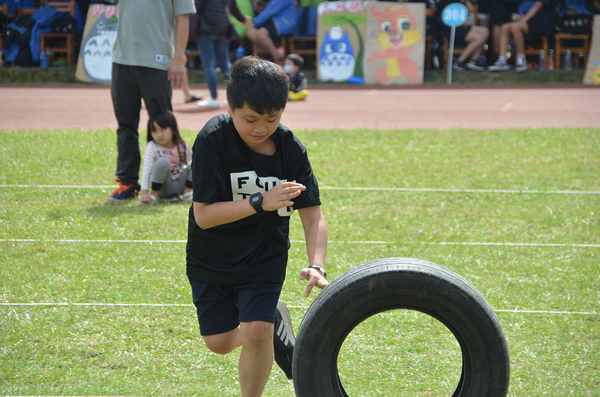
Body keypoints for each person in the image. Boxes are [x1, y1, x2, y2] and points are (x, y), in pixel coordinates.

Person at [186, 56, 328, 397]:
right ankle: (273, 320)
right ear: (231, 107)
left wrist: (316, 263)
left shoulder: (291, 149)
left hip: (265, 257)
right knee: (219, 343)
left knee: (255, 331)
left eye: (272, 119)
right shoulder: (212, 140)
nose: (261, 128)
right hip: (212, 258)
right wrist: (259, 202)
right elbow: (203, 215)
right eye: (250, 119)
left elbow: (313, 215)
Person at [108, 0, 196, 201]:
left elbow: (183, 19)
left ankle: (166, 184)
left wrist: (177, 59)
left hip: (158, 62)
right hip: (122, 59)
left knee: (162, 124)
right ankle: (128, 182)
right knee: (125, 125)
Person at [195, 0, 253, 108]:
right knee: (224, 63)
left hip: (206, 29)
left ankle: (214, 97)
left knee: (209, 64)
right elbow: (234, 8)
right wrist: (243, 19)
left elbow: (196, 8)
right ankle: (234, 97)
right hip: (223, 29)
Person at [488, 0, 560, 72]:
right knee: (505, 27)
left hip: (543, 23)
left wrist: (524, 19)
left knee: (516, 27)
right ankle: (502, 61)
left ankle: (521, 59)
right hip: (528, 21)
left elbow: (538, 6)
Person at [139, 110, 193, 205]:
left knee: (197, 161)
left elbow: (194, 168)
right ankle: (154, 195)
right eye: (154, 131)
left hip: (180, 184)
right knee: (163, 161)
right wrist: (144, 193)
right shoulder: (153, 146)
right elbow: (147, 169)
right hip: (163, 187)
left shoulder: (182, 145)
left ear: (173, 128)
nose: (159, 134)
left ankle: (187, 193)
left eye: (163, 129)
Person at [438, 0, 489, 71]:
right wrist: (462, 22)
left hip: (461, 24)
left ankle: (473, 60)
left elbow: (471, 10)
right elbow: (447, 15)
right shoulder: (447, 2)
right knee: (479, 37)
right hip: (451, 26)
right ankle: (459, 62)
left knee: (485, 31)